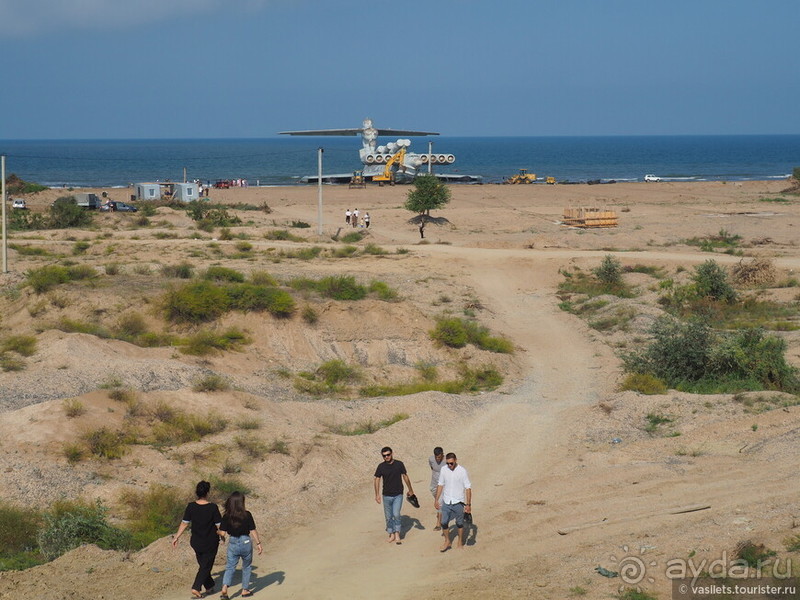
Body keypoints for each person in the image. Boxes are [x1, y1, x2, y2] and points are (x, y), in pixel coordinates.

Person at [173, 481, 223, 598]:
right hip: (210, 542)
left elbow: (184, 524)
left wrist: (176, 537)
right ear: (207, 492)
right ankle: (196, 587)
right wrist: (222, 535)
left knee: (203, 564)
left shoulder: (191, 506)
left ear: (197, 492)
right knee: (206, 566)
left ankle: (210, 585)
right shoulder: (213, 507)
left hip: (196, 542)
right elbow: (219, 525)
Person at [219, 491, 263, 599]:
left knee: (230, 567)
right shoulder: (247, 514)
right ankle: (245, 590)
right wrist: (258, 543)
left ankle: (225, 587)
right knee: (247, 567)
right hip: (246, 541)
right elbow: (252, 530)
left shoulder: (227, 516)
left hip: (233, 541)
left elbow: (223, 533)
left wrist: (218, 533)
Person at [374, 446, 415, 544]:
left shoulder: (399, 464)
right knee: (388, 516)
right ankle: (391, 533)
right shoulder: (381, 467)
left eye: (388, 455)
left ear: (392, 453)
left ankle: (397, 533)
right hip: (386, 495)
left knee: (396, 514)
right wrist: (377, 494)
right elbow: (376, 479)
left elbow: (405, 476)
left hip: (398, 494)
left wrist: (410, 490)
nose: (386, 457)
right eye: (384, 456)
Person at [434, 452, 472, 552]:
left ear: (455, 460)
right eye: (447, 463)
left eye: (451, 463)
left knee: (459, 523)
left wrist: (468, 504)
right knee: (444, 522)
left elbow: (468, 487)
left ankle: (459, 541)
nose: (449, 465)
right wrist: (436, 500)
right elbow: (440, 484)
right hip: (446, 501)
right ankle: (447, 541)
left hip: (458, 501)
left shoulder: (462, 471)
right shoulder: (444, 469)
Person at [428, 447, 445, 530]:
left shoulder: (446, 461)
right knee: (438, 500)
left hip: (443, 485)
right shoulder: (431, 459)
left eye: (439, 457)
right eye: (436, 457)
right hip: (434, 484)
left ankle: (438, 523)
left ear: (442, 454)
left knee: (439, 502)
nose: (438, 459)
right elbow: (432, 468)